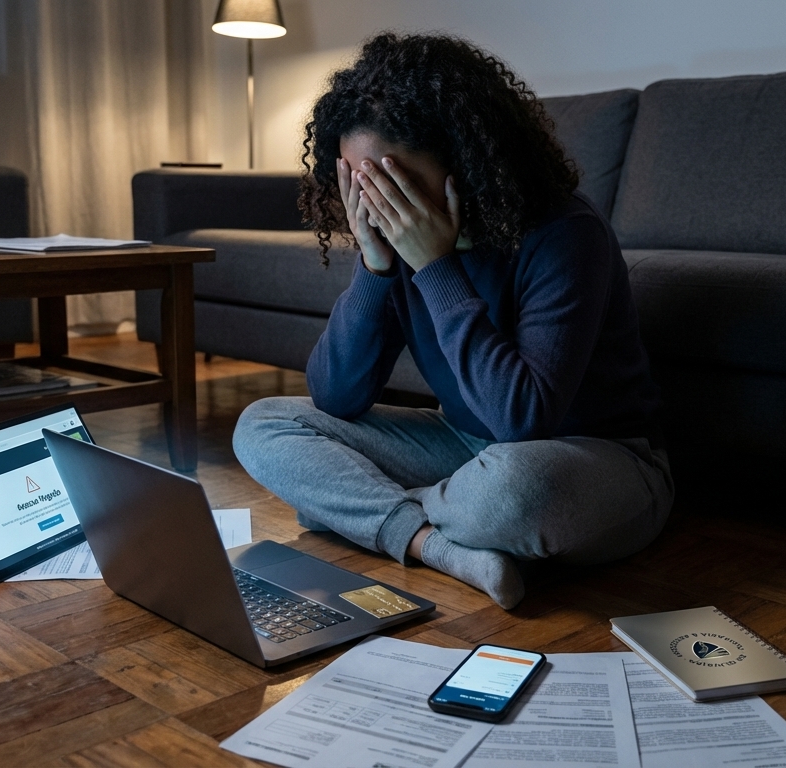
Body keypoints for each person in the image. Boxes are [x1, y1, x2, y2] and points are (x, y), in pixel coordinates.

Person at [233, 32, 672, 609]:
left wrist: (436, 267)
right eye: (361, 185)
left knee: (517, 492)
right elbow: (335, 396)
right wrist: (375, 264)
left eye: (396, 185)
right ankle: (434, 546)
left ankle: (365, 511)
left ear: (465, 162)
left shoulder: (565, 233)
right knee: (263, 425)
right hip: (463, 447)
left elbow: (521, 419)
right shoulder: (387, 244)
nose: (379, 207)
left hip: (593, 458)